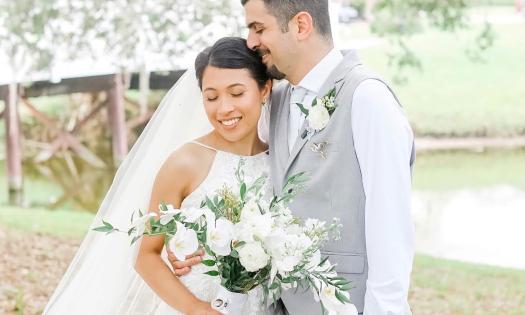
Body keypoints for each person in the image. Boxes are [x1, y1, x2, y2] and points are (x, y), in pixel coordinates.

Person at [175, 1, 416, 314]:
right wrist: (192, 246)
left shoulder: (368, 99)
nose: (250, 42)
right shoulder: (274, 100)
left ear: (301, 25)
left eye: (259, 28)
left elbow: (391, 224)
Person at [43, 37, 272, 315]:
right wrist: (196, 308)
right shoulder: (185, 162)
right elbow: (145, 255)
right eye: (211, 97)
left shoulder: (279, 159)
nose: (223, 108)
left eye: (236, 93)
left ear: (264, 89)